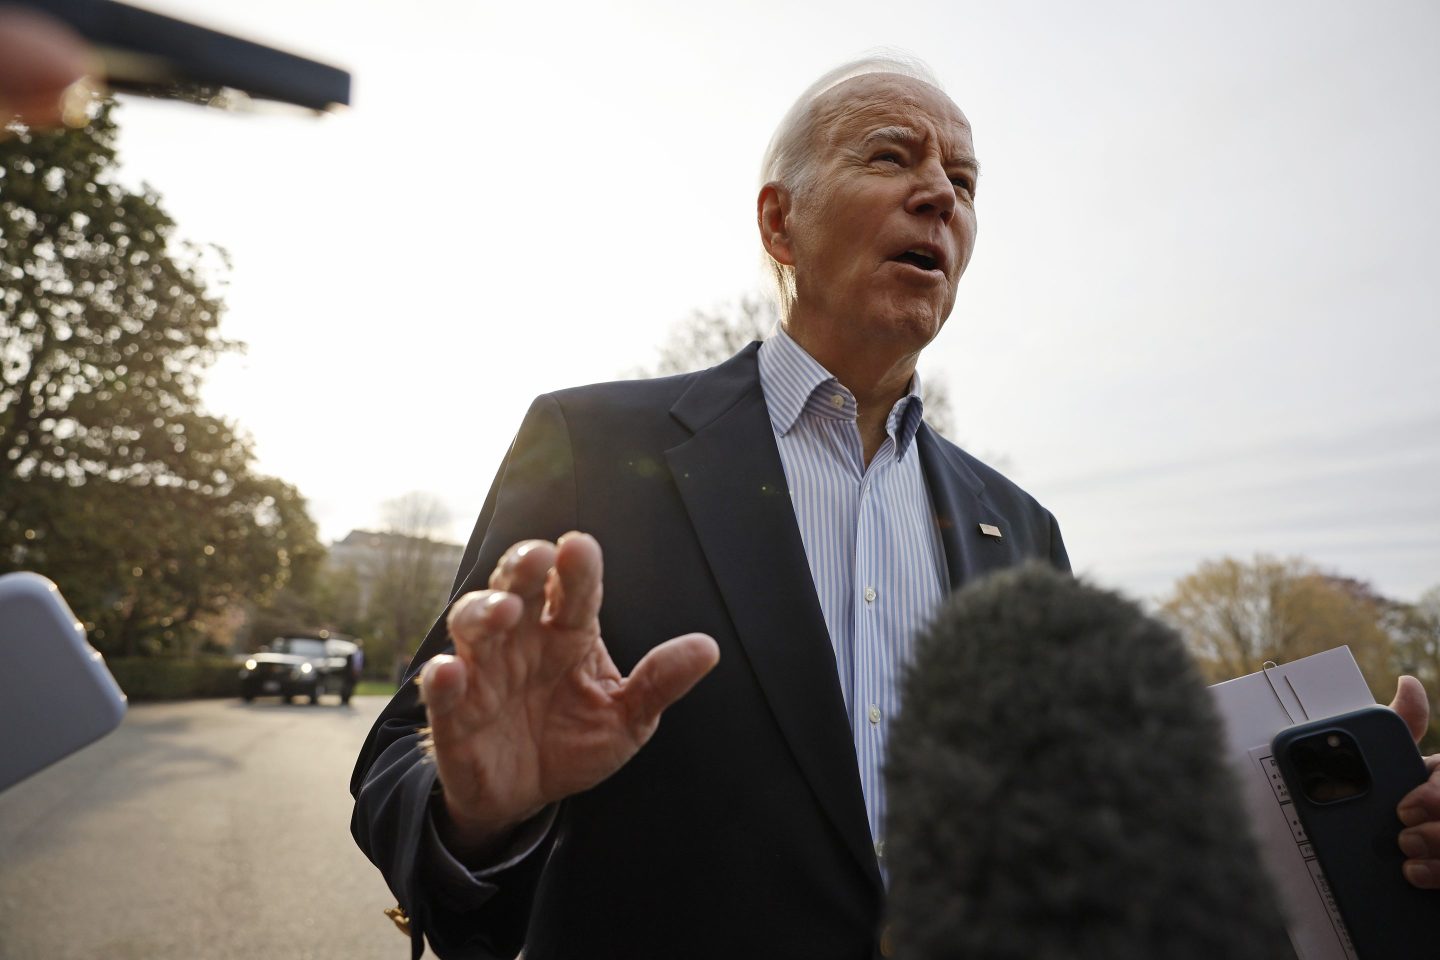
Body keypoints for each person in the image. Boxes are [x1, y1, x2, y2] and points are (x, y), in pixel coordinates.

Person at [351, 58, 1440, 960]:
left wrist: (1347, 835)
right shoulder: (595, 444)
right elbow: (406, 756)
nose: (942, 196)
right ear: (780, 222)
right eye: (893, 157)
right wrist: (478, 804)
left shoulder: (1023, 531)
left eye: (964, 182)